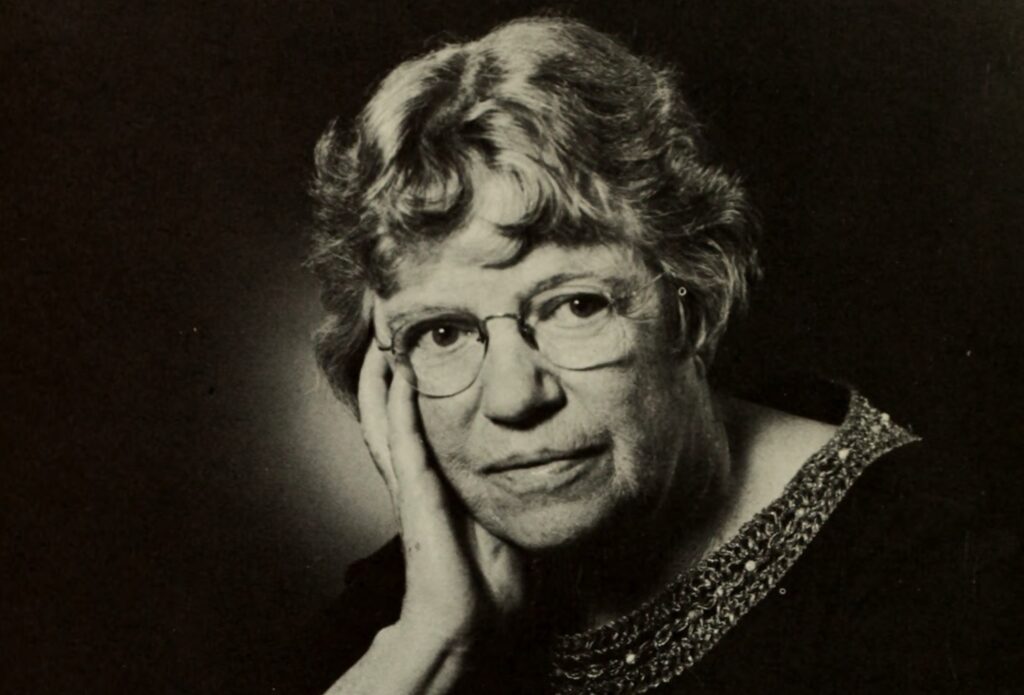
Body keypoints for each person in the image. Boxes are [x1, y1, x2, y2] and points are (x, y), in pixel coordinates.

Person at [292, 15, 1008, 694]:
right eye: (441, 333)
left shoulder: (941, 583)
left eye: (576, 305)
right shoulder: (416, 593)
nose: (514, 397)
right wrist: (431, 640)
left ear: (693, 303)